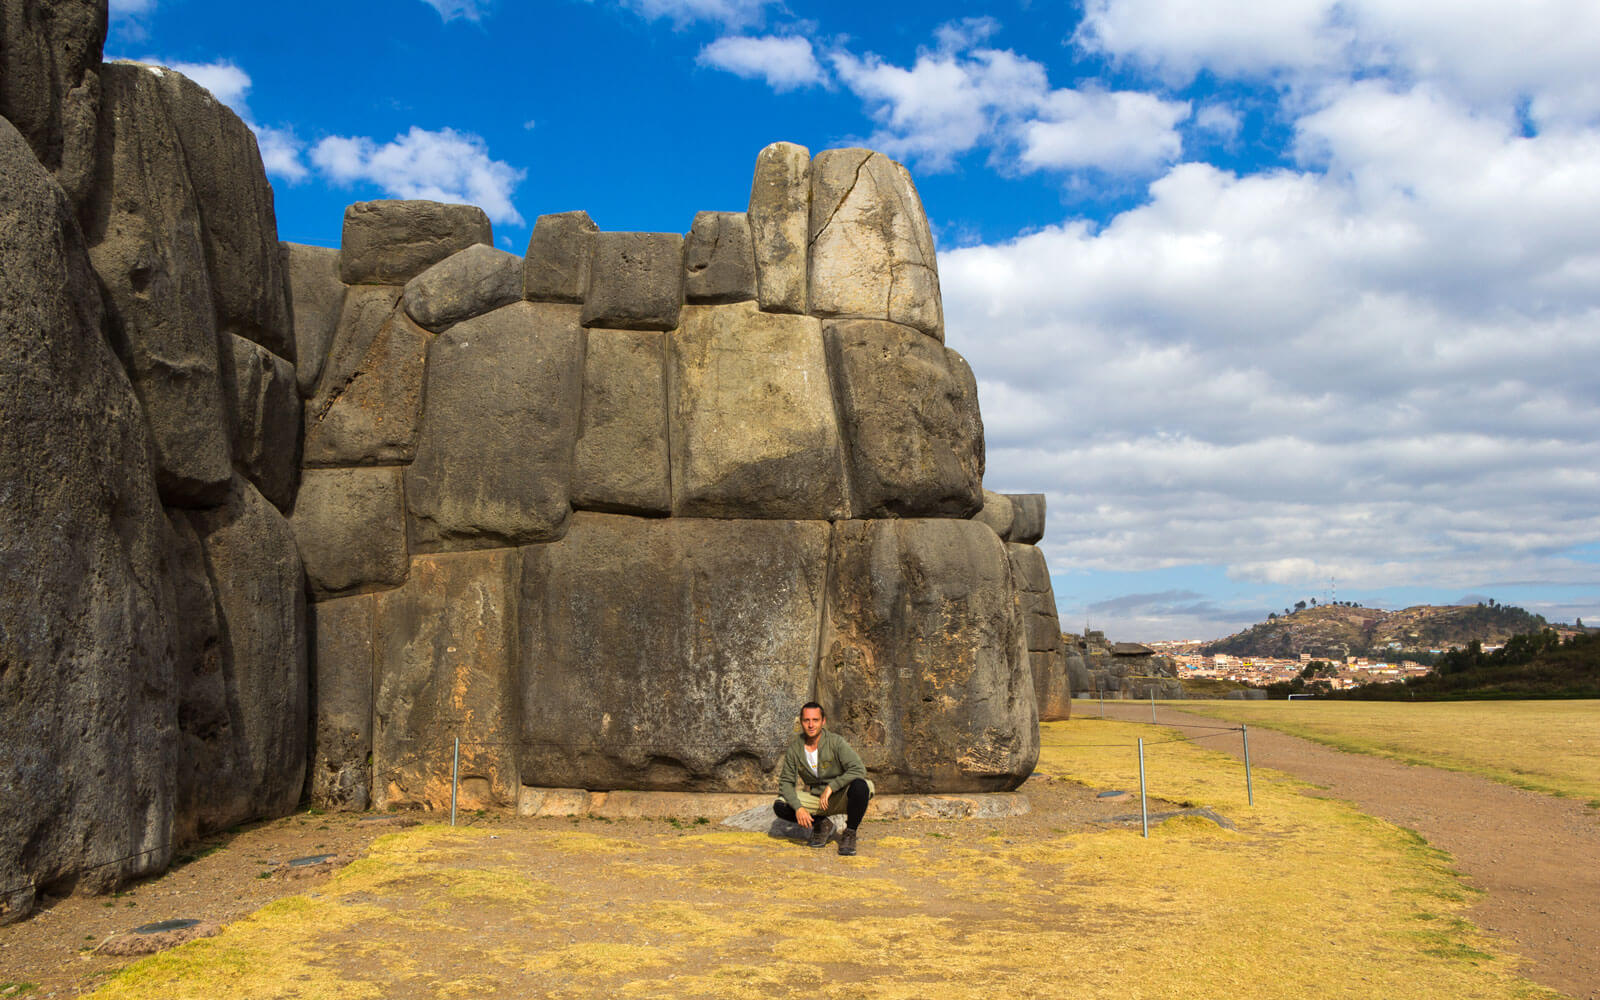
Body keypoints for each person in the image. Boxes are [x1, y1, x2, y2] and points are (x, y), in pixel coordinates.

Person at [773, 701, 873, 856]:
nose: (811, 725)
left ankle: (850, 833)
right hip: (817, 799)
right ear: (801, 722)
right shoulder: (795, 749)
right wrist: (798, 808)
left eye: (815, 720)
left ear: (823, 721)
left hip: (841, 796)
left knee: (861, 786)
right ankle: (822, 824)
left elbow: (859, 768)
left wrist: (832, 786)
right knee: (781, 805)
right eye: (807, 720)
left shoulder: (836, 742)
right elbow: (786, 782)